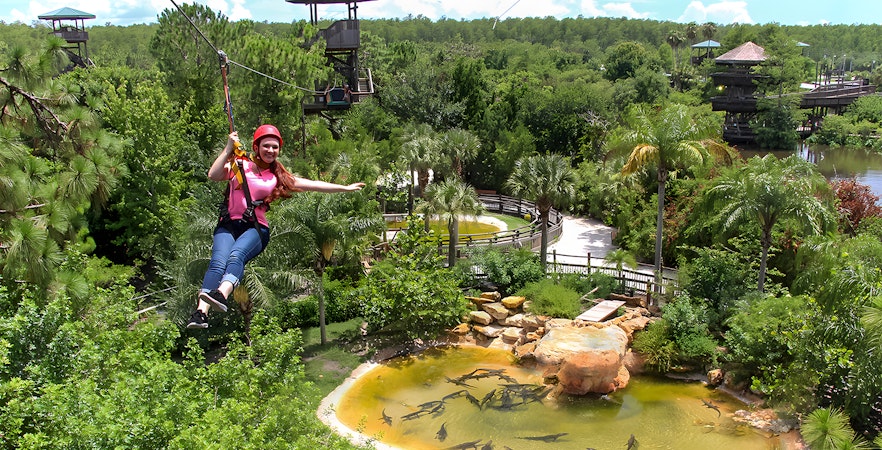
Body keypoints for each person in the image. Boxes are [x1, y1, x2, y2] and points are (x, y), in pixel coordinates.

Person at [186, 124, 365, 329]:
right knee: (217, 261)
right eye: (266, 146)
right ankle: (201, 314)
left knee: (236, 256)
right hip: (227, 224)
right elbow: (213, 174)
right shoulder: (239, 165)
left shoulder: (276, 176)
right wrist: (228, 149)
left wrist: (344, 188)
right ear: (256, 146)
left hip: (255, 228)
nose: (270, 150)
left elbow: (313, 184)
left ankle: (222, 293)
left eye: (275, 147)